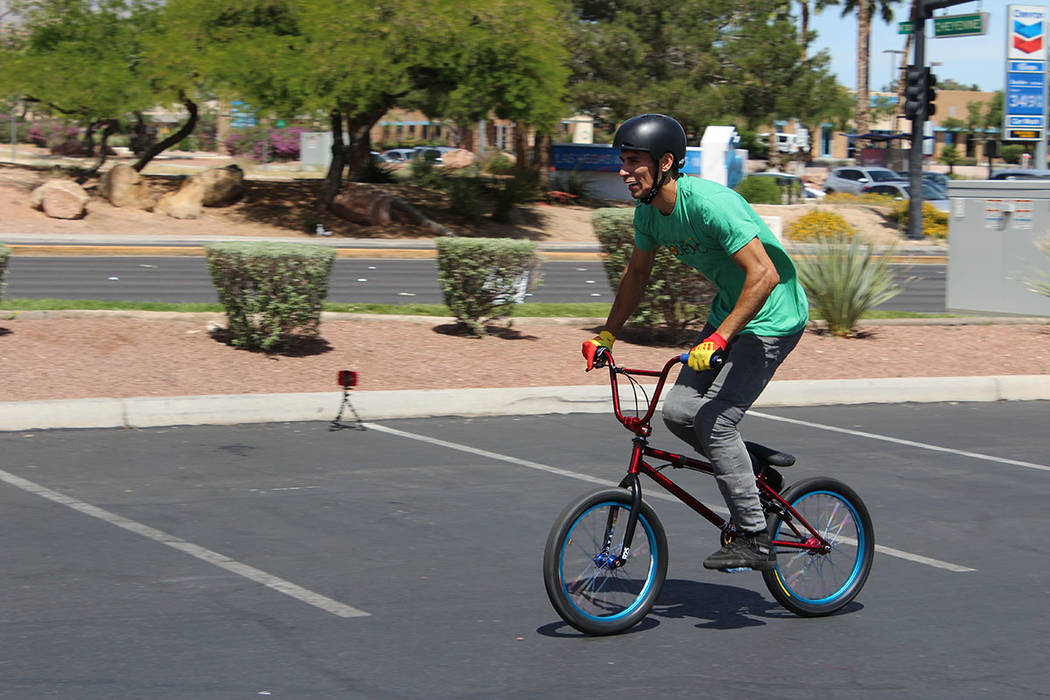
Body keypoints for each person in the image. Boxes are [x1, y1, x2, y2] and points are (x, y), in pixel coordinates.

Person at [580, 113, 809, 572]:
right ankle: (753, 469)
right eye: (622, 161)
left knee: (717, 424)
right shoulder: (649, 213)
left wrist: (721, 338)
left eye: (634, 162)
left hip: (774, 318)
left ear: (666, 162)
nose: (624, 171)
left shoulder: (709, 204)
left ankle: (754, 535)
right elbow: (637, 274)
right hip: (730, 315)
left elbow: (763, 274)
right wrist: (607, 334)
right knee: (681, 414)